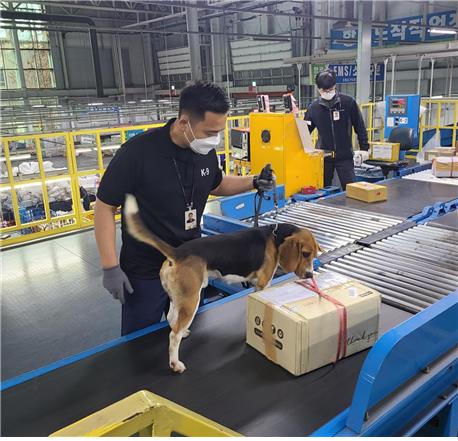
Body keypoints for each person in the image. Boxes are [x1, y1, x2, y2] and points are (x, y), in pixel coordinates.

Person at [94, 81, 275, 336]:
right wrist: (110, 266)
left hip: (192, 263)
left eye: (219, 131)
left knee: (188, 332)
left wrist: (254, 181)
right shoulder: (137, 154)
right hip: (146, 270)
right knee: (139, 344)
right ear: (183, 123)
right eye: (210, 132)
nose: (215, 139)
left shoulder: (204, 150)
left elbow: (217, 183)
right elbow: (104, 206)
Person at [304, 69, 369, 190]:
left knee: (352, 190)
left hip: (345, 156)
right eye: (324, 90)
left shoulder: (348, 103)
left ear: (335, 86)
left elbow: (359, 126)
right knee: (322, 190)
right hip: (324, 157)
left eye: (330, 90)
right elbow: (305, 132)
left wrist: (364, 148)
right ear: (318, 89)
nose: (328, 92)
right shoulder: (313, 108)